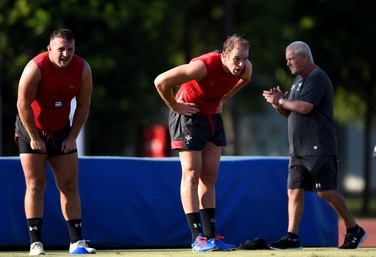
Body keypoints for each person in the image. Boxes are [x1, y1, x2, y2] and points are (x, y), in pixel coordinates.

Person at [263, 41, 368, 250]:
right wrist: (278, 103)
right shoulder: (297, 81)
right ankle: (292, 237)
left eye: (291, 59)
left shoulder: (317, 77)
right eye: (286, 60)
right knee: (293, 190)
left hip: (318, 146)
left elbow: (304, 107)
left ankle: (354, 229)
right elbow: (290, 111)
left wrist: (283, 102)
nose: (288, 64)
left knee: (326, 191)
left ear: (303, 57)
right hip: (298, 149)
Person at [154, 34, 252, 252]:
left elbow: (245, 79)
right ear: (225, 55)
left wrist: (223, 98)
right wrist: (175, 106)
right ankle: (197, 237)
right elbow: (160, 81)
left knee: (210, 176)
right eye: (236, 58)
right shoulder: (203, 66)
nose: (241, 64)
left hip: (211, 117)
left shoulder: (245, 68)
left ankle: (211, 237)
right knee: (191, 173)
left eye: (244, 58)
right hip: (188, 115)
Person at [15, 28, 95, 255]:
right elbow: (22, 105)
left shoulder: (83, 68)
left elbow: (83, 106)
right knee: (35, 184)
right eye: (60, 49)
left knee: (69, 185)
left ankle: (77, 242)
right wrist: (33, 137)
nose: (65, 54)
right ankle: (35, 243)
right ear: (50, 49)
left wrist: (72, 137)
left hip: (61, 130)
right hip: (31, 127)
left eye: (70, 49)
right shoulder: (35, 68)